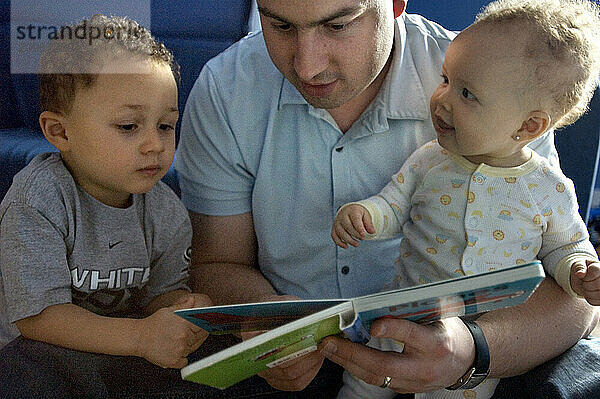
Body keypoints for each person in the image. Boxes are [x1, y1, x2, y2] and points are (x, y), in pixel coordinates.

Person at [175, 0, 600, 397]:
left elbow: (572, 297)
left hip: (479, 347)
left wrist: (474, 349)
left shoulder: (492, 74)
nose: (308, 64)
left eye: (338, 25)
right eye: (280, 24)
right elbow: (217, 266)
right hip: (300, 363)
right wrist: (267, 319)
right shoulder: (226, 89)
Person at [331, 0, 600, 397]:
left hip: (473, 343)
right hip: (401, 318)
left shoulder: (548, 187)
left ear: (528, 126)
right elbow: (393, 204)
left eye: (468, 94)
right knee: (362, 384)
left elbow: (565, 245)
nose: (442, 99)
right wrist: (364, 215)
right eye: (445, 79)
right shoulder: (431, 160)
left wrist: (578, 270)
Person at [0, 14, 214, 397]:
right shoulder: (37, 201)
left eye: (165, 126)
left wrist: (182, 310)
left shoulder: (165, 210)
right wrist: (140, 337)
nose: (154, 144)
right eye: (129, 126)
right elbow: (38, 319)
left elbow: (156, 299)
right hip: (39, 357)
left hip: (119, 356)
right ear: (59, 132)